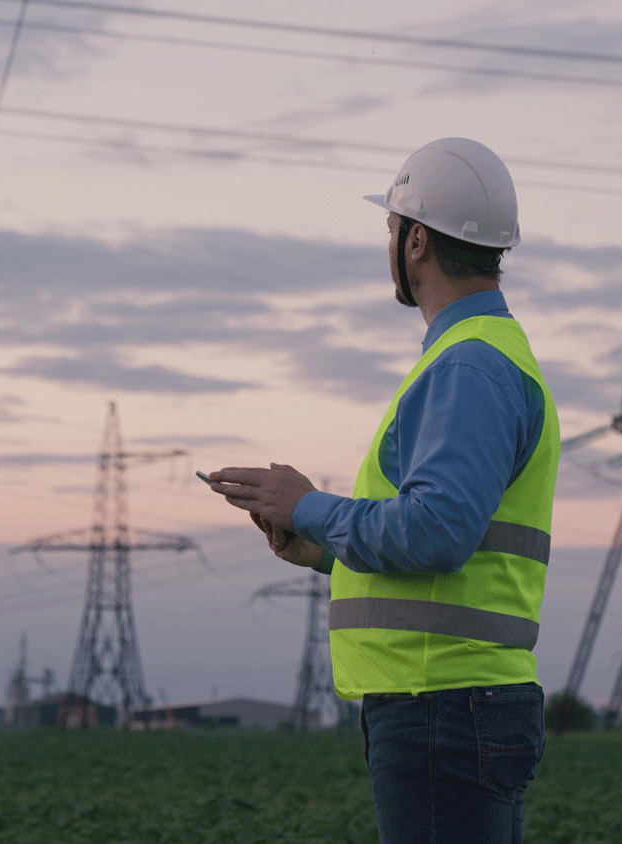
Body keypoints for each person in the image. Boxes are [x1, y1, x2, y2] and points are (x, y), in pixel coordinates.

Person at [208, 137, 560, 844]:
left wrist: (306, 504)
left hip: (443, 707)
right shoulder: (482, 358)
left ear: (418, 242)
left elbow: (436, 531)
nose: (390, 243)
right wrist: (322, 551)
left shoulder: (468, 368)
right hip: (457, 705)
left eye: (392, 228)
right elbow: (455, 545)